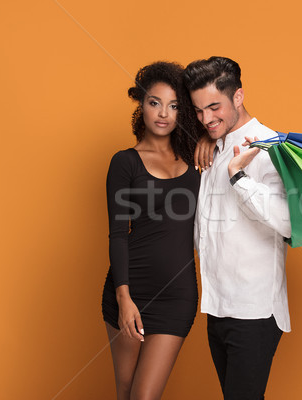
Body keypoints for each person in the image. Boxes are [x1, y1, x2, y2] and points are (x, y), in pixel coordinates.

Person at [184, 56, 292, 400]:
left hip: (254, 310)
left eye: (214, 107)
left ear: (239, 97)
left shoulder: (270, 145)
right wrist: (208, 139)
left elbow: (287, 221)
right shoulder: (210, 145)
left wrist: (239, 177)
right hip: (217, 307)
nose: (206, 118)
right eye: (199, 111)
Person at [101, 61, 205, 400]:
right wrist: (123, 298)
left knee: (144, 397)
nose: (163, 113)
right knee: (127, 393)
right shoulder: (125, 162)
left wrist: (205, 141)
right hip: (130, 290)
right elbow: (118, 233)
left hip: (178, 295)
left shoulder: (195, 161)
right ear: (141, 105)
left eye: (174, 105)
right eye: (154, 102)